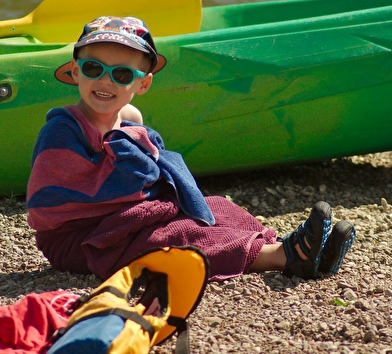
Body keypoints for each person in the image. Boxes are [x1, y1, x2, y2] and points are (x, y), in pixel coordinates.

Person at [26, 16, 356, 282]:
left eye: (122, 73)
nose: (106, 81)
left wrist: (150, 192)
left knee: (217, 208)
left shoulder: (129, 118)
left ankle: (289, 247)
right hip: (81, 237)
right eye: (94, 68)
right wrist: (138, 191)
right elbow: (50, 207)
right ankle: (283, 258)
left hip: (126, 217)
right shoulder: (62, 130)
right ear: (74, 71)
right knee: (175, 236)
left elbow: (149, 170)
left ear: (143, 84)